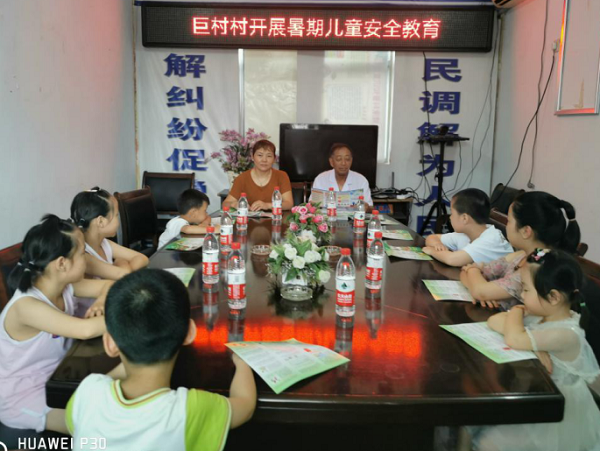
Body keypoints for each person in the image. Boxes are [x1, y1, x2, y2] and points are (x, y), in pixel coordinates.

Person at [65, 269, 257, 451]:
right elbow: (245, 405)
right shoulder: (190, 410)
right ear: (190, 333)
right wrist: (242, 361)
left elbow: (100, 388)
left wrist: (135, 348)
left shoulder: (86, 392)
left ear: (110, 344)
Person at [463, 249, 600, 451]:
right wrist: (532, 343)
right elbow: (495, 320)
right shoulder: (543, 315)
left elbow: (514, 338)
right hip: (536, 390)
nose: (521, 295)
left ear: (553, 297)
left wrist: (516, 312)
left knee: (488, 443)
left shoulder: (566, 333)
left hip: (557, 408)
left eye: (526, 290)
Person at [0, 215, 109, 435]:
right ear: (62, 263)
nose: (86, 259)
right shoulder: (26, 306)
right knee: (97, 428)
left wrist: (100, 301)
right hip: (24, 394)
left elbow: (108, 285)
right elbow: (85, 330)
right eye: (82, 253)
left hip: (62, 373)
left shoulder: (64, 286)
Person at [460, 191, 581, 308]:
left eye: (509, 221)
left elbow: (480, 290)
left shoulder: (537, 267)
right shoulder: (521, 255)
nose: (506, 226)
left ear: (526, 231)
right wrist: (476, 287)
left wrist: (472, 270)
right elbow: (468, 277)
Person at [71, 187, 149, 280]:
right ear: (101, 221)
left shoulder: (104, 243)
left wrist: (123, 271)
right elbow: (123, 275)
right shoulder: (84, 255)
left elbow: (143, 258)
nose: (118, 220)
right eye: (116, 215)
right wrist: (121, 262)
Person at [423, 189, 513, 267]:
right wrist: (438, 244)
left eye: (452, 213)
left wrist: (432, 251)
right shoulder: (467, 233)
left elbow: (452, 259)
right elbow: (432, 237)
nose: (450, 217)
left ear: (464, 218)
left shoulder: (490, 239)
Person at [222, 139, 293, 212]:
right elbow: (226, 203)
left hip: (276, 218)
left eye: (269, 156)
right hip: (249, 219)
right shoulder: (242, 178)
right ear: (252, 157)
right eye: (260, 155)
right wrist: (235, 204)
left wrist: (267, 205)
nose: (264, 160)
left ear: (274, 159)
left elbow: (289, 204)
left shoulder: (281, 176)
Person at [310, 143, 373, 208]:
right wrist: (313, 205)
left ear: (351, 161)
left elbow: (370, 207)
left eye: (347, 159)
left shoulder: (361, 180)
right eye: (339, 159)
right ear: (331, 162)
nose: (343, 163)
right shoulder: (320, 179)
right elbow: (311, 204)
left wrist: (366, 207)